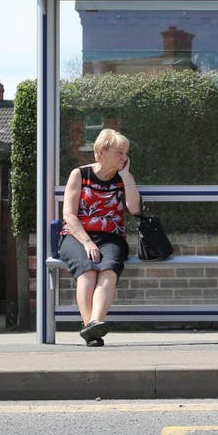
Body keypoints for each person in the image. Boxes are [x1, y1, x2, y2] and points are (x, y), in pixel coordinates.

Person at [58, 128, 141, 346]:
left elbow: (134, 209)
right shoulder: (80, 174)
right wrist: (86, 242)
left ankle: (94, 324)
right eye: (119, 153)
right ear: (102, 152)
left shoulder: (123, 178)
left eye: (126, 153)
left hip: (111, 236)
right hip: (76, 235)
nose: (124, 157)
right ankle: (91, 327)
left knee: (108, 270)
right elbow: (68, 214)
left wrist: (127, 176)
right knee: (86, 270)